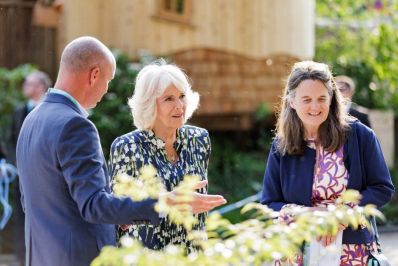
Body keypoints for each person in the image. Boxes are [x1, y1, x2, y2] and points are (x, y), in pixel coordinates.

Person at [16, 36, 226, 266]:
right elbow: (94, 205)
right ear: (94, 75)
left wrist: (120, 218)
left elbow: (32, 201)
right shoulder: (76, 126)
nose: (106, 90)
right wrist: (169, 202)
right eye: (107, 81)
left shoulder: (31, 120)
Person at [261, 61, 394, 265]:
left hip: (352, 252)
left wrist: (339, 215)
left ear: (331, 99)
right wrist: (311, 215)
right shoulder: (281, 145)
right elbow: (269, 204)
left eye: (322, 98)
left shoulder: (360, 136)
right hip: (294, 252)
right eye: (306, 99)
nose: (315, 106)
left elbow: (382, 188)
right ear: (292, 101)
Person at [109, 61, 221, 252]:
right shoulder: (126, 147)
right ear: (149, 104)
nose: (179, 106)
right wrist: (169, 203)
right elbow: (118, 214)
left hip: (194, 256)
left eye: (182, 96)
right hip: (146, 258)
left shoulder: (199, 139)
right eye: (169, 99)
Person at [8, 70, 51, 262]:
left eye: (29, 84)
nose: (25, 87)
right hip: (21, 175)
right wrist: (15, 161)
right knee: (20, 216)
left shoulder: (51, 111)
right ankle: (21, 257)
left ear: (41, 87)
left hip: (46, 177)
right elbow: (8, 140)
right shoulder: (18, 111)